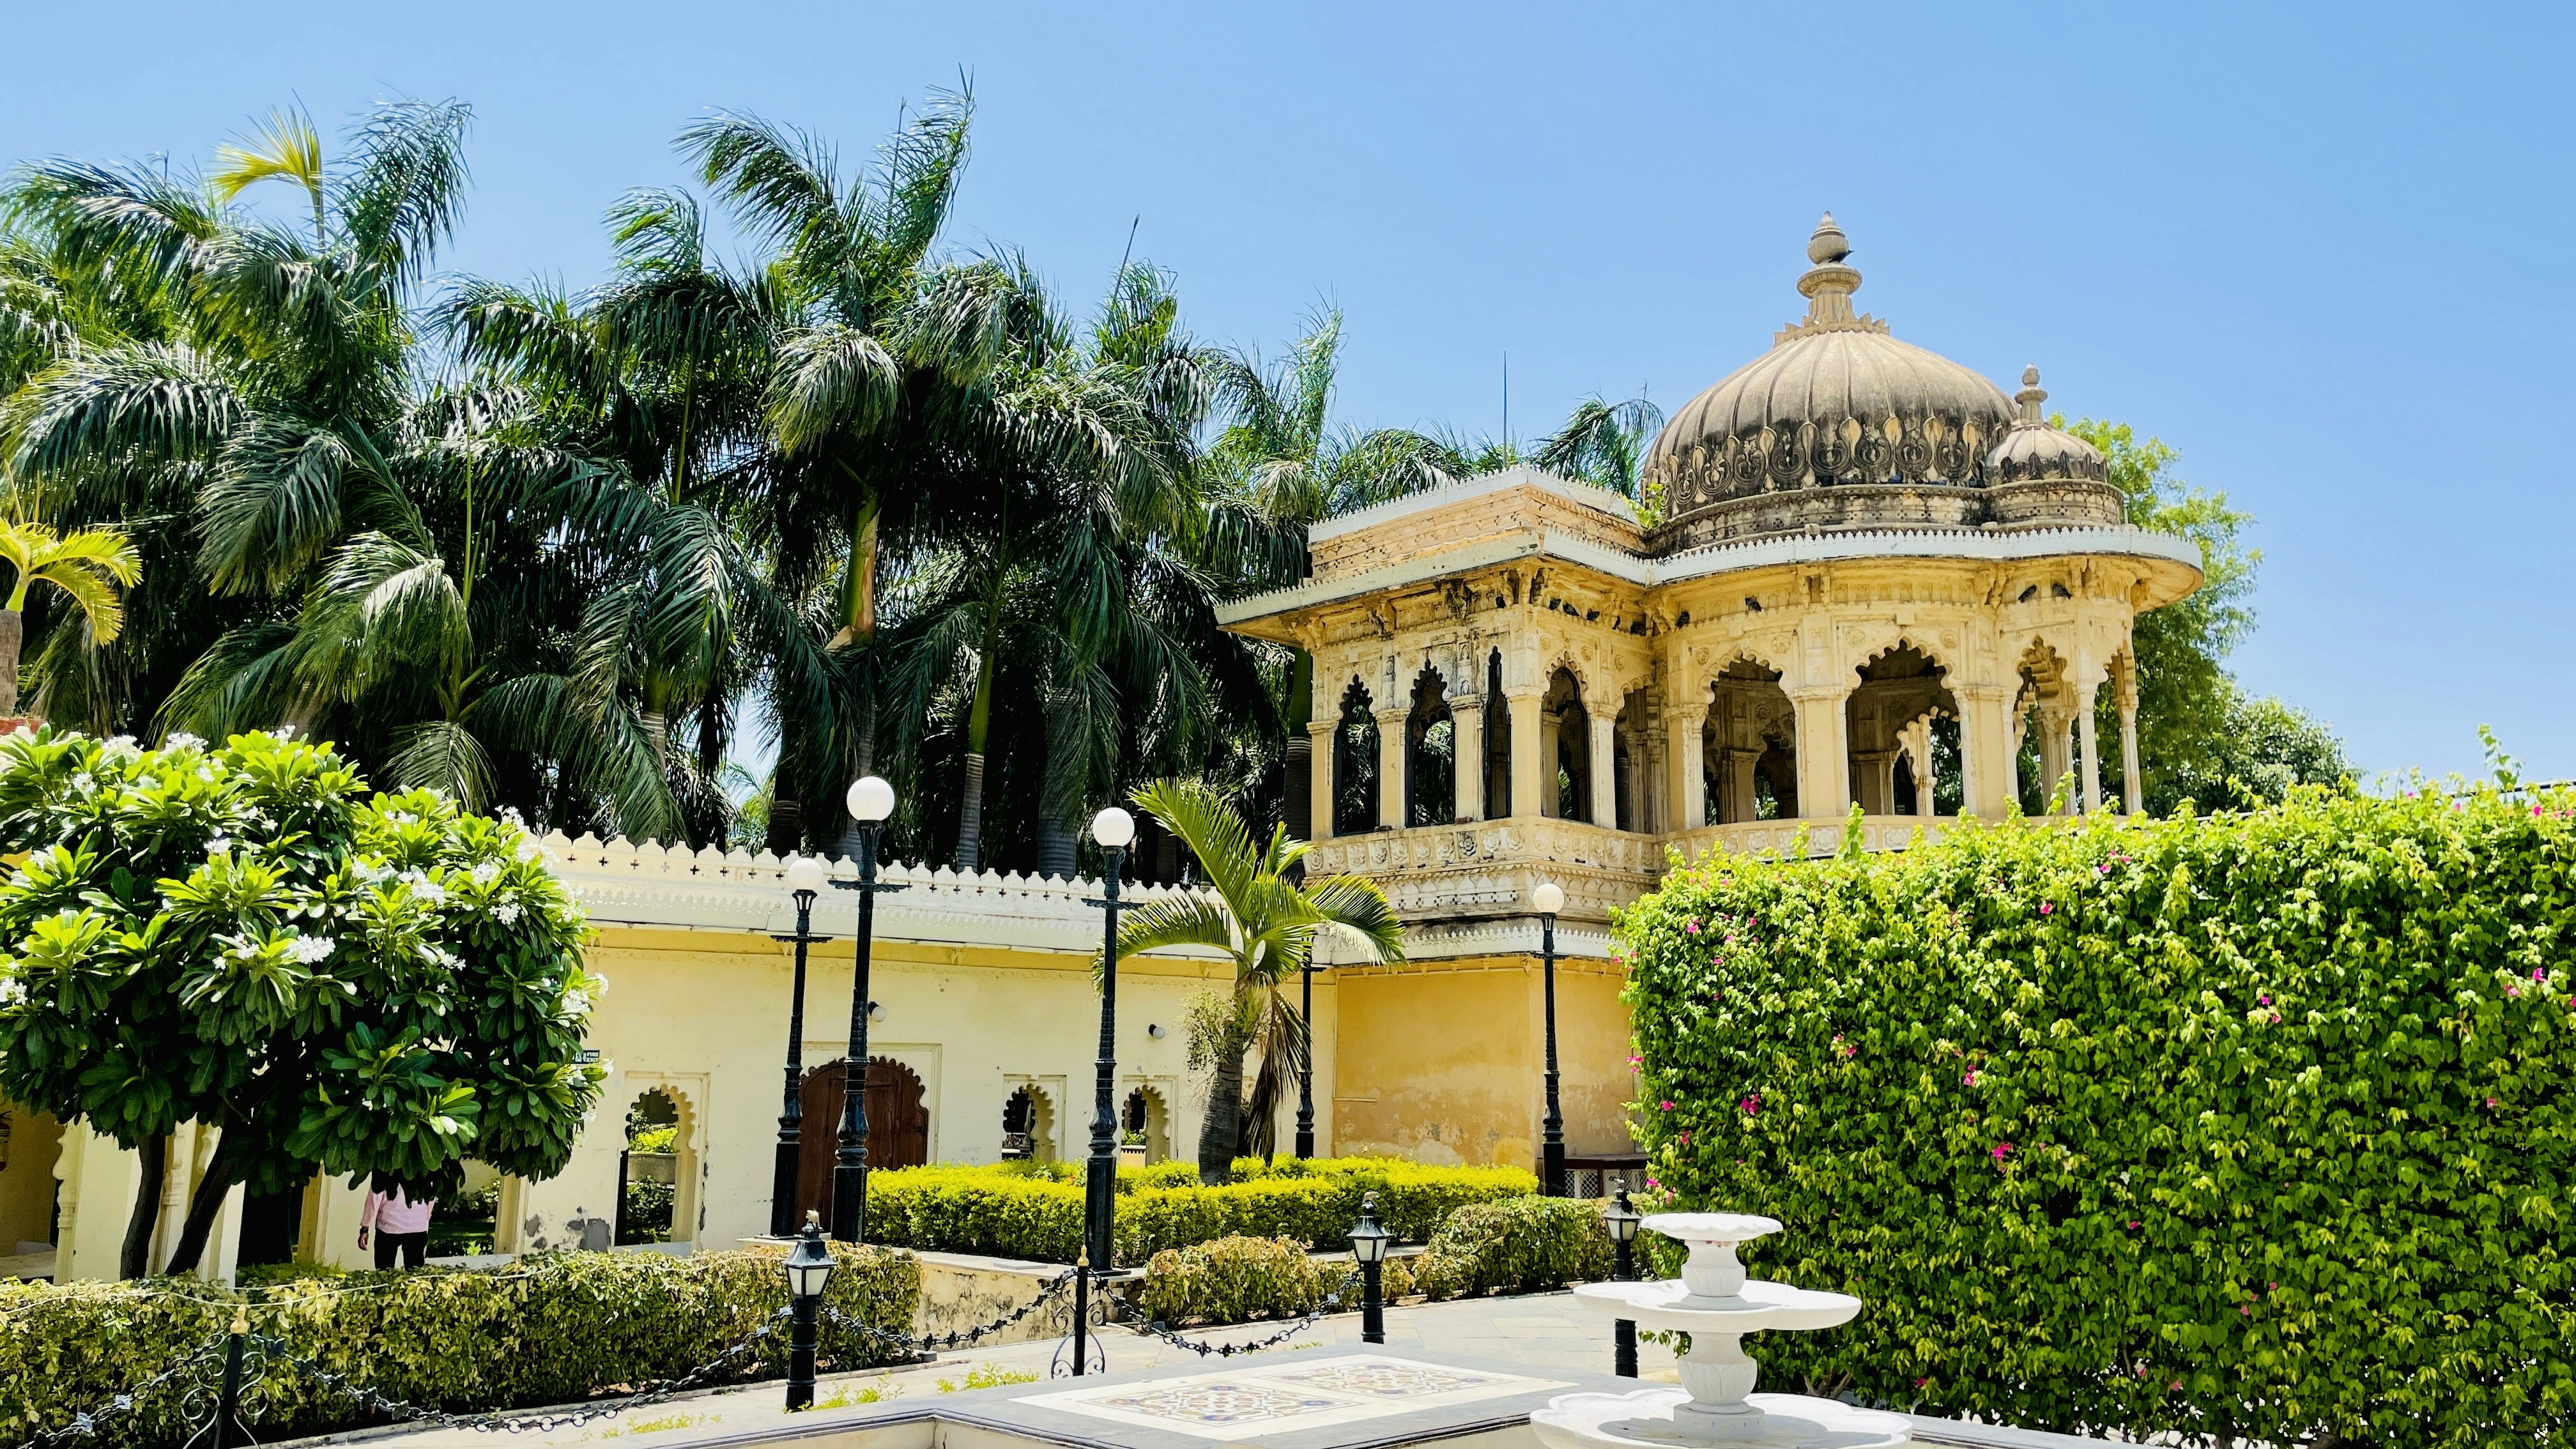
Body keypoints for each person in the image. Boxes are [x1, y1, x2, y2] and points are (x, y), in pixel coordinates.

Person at [358, 1183, 437, 1270]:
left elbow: (374, 1200)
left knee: (384, 1272)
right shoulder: (425, 1171)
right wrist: (424, 1218)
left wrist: (365, 1228)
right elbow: (431, 1196)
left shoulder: (383, 1171)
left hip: (388, 1226)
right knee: (415, 1274)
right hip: (417, 1226)